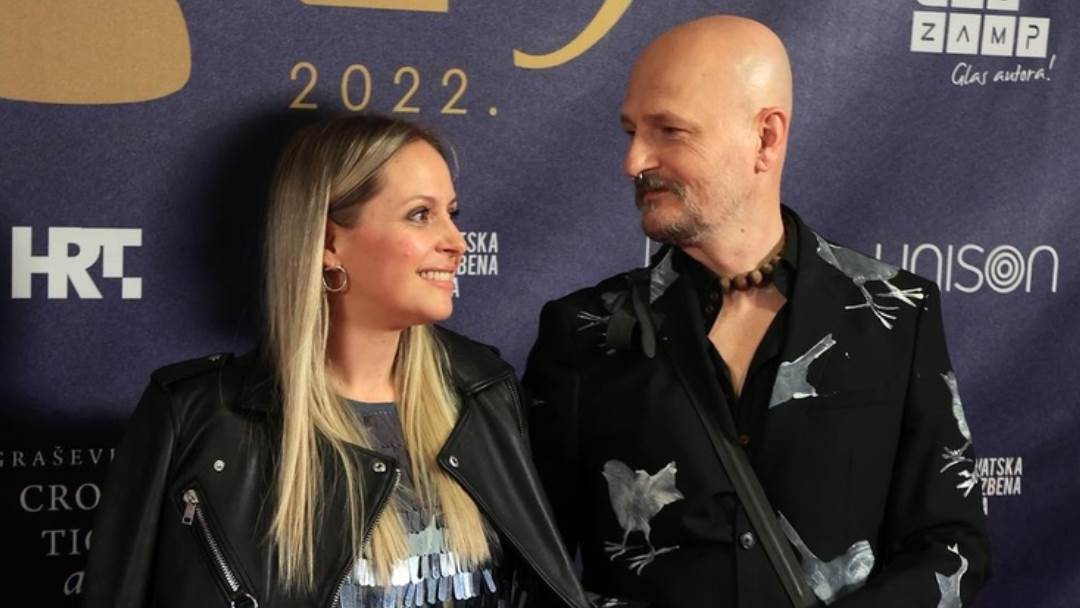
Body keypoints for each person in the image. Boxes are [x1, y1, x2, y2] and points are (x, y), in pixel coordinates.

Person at [524, 15, 990, 608]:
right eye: (631, 131)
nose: (634, 160)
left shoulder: (897, 315)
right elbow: (530, 561)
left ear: (766, 138)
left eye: (669, 130)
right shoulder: (581, 332)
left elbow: (951, 545)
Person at [83, 115, 590, 608]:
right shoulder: (198, 419)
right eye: (420, 214)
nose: (457, 242)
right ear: (329, 243)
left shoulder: (484, 393)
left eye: (452, 213)